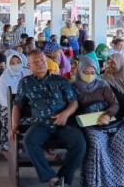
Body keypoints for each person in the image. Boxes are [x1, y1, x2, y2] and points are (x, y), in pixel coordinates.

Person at [10, 50, 85, 187]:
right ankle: (51, 178)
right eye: (35, 62)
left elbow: (73, 102)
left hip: (63, 122)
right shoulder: (25, 82)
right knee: (29, 141)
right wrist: (14, 126)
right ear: (29, 66)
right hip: (41, 123)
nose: (40, 63)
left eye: (42, 60)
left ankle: (63, 177)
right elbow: (17, 105)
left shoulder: (61, 80)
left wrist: (65, 114)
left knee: (79, 143)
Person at [71, 57, 124, 187]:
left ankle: (123, 179)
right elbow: (73, 107)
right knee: (97, 144)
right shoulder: (74, 87)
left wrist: (107, 115)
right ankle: (98, 181)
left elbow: (114, 103)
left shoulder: (102, 85)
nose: (90, 76)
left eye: (92, 73)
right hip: (89, 124)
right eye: (86, 72)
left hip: (109, 120)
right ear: (79, 72)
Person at [0, 51, 31, 150]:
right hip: (4, 106)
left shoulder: (27, 73)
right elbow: (4, 100)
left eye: (18, 62)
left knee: (36, 117)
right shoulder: (3, 79)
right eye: (12, 63)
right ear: (8, 64)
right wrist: (16, 110)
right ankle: (6, 147)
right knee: (9, 118)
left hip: (24, 105)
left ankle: (27, 144)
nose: (16, 65)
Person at [102, 53, 124, 117]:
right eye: (109, 63)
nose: (110, 65)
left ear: (121, 63)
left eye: (113, 63)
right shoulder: (107, 77)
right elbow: (115, 97)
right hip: (119, 111)